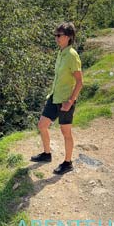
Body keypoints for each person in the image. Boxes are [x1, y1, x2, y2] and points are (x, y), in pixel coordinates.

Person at [30, 22, 83, 175]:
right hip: (54, 96)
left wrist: (70, 101)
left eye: (59, 35)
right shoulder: (61, 53)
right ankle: (47, 154)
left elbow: (80, 82)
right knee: (42, 125)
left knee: (66, 132)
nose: (56, 38)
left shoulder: (72, 55)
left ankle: (68, 163)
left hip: (65, 100)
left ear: (68, 37)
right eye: (56, 35)